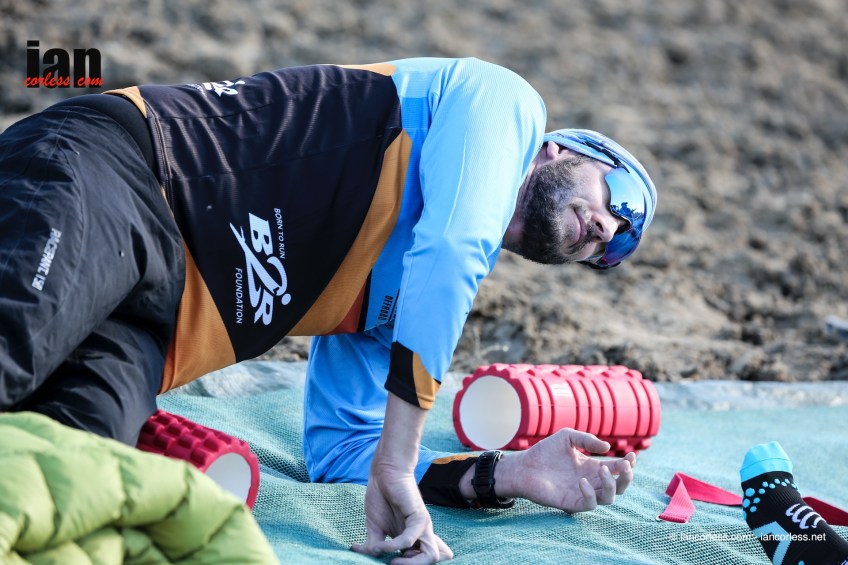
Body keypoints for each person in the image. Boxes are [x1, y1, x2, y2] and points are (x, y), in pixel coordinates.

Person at [0, 57, 656, 563]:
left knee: (61, 479)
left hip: (150, 333)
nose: (609, 231)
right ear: (561, 149)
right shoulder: (501, 101)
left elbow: (343, 448)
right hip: (129, 175)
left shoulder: (404, 302)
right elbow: (454, 247)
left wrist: (508, 472)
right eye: (619, 198)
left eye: (616, 248)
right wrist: (397, 460)